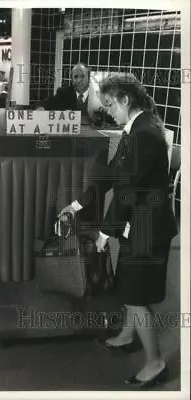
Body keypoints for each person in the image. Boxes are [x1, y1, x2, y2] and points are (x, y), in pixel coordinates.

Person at [58, 73, 178, 388]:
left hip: (148, 228)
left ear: (125, 100)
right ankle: (127, 335)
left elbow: (127, 189)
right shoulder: (135, 130)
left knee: (136, 297)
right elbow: (110, 177)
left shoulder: (145, 135)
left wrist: (105, 233)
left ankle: (155, 364)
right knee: (128, 286)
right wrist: (77, 205)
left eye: (111, 104)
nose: (108, 111)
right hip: (136, 225)